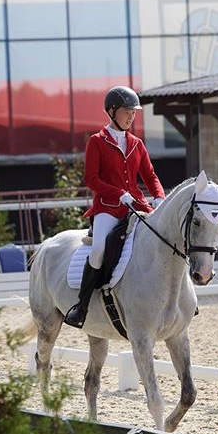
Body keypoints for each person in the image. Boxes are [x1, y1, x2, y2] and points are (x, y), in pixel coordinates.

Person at [63, 86, 166, 329]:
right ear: (111, 111)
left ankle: (179, 298)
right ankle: (82, 306)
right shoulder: (97, 142)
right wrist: (118, 194)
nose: (131, 116)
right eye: (127, 111)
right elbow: (92, 179)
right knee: (99, 248)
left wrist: (159, 196)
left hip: (137, 205)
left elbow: (150, 176)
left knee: (163, 238)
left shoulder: (137, 144)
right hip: (108, 208)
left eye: (134, 112)